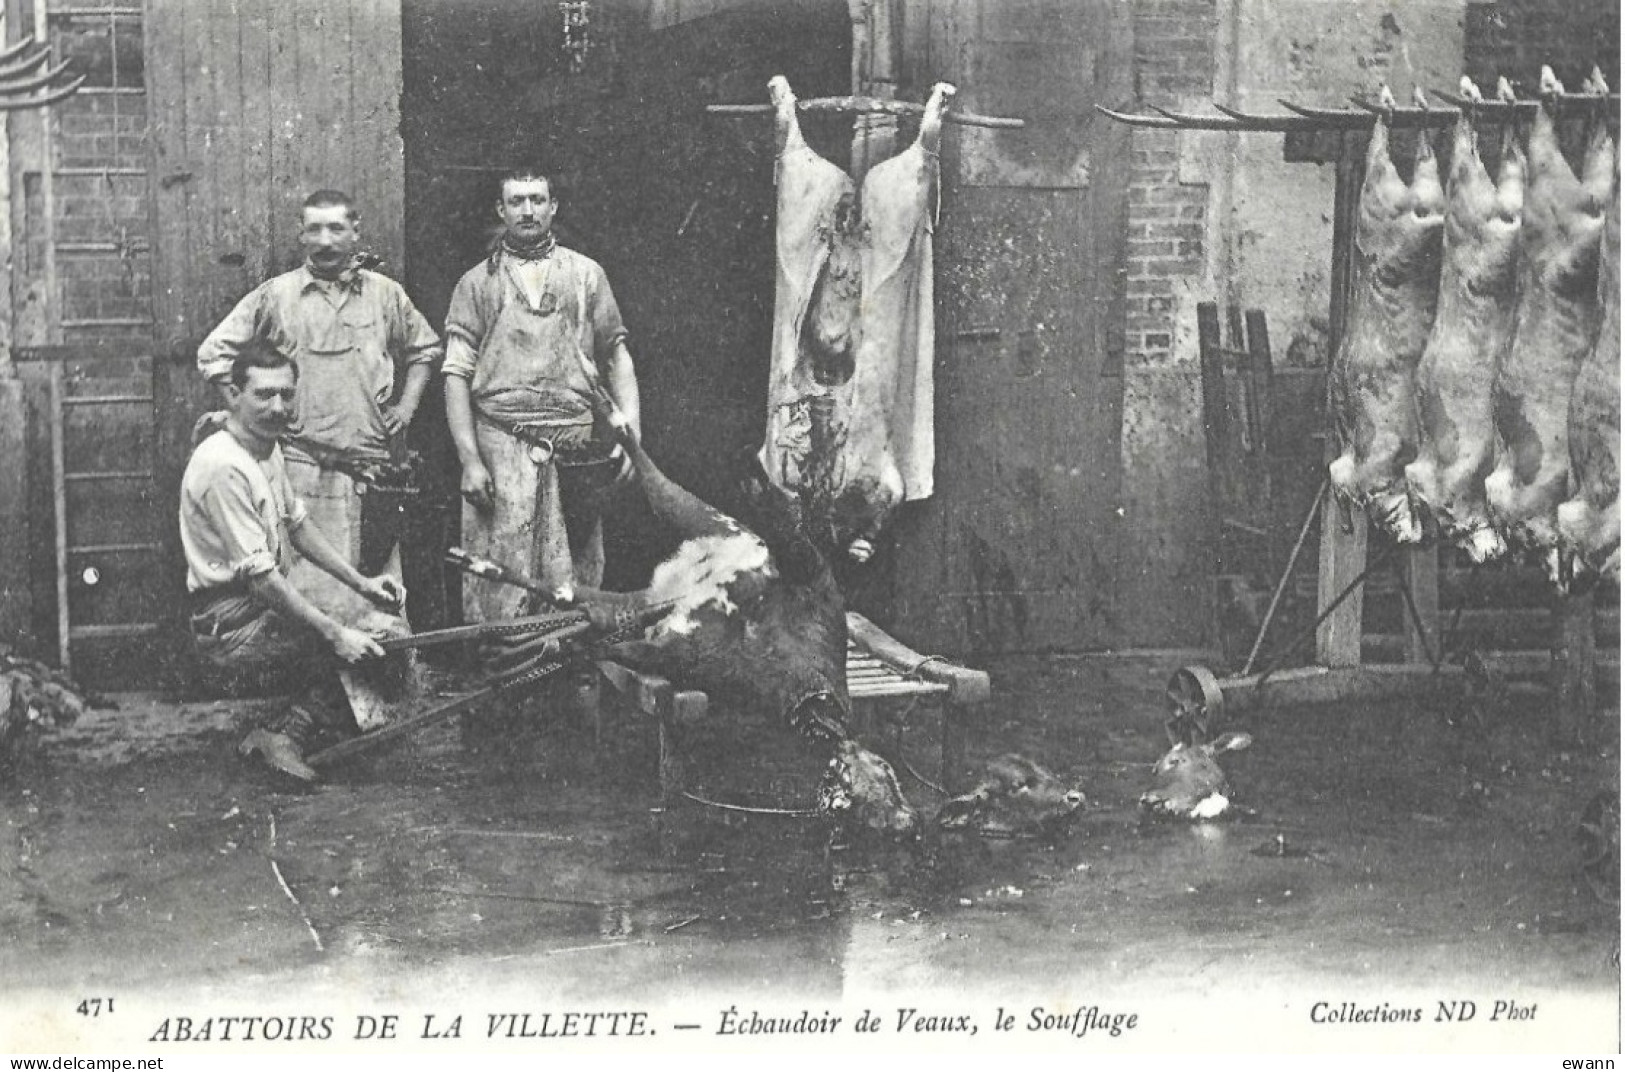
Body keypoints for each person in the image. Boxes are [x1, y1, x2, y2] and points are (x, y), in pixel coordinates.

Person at [196, 189, 442, 621]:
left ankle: (382, 682)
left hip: (371, 473)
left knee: (378, 600)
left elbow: (425, 349)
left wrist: (406, 407)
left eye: (336, 229)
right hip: (300, 469)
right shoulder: (277, 296)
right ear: (301, 234)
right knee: (310, 598)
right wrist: (243, 415)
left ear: (355, 232)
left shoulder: (385, 295)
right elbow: (213, 353)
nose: (326, 241)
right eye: (315, 229)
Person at [182, 349, 407, 783]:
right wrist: (336, 633)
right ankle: (281, 737)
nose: (278, 408)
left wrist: (362, 584)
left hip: (254, 610)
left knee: (367, 632)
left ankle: (304, 730)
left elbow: (299, 526)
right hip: (227, 626)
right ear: (233, 394)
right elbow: (262, 579)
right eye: (264, 395)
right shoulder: (223, 466)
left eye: (287, 395)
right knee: (353, 644)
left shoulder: (266, 448)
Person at [443, 166, 641, 624]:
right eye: (516, 201)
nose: (527, 210)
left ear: (553, 206)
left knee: (575, 578)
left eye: (537, 199)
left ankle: (571, 676)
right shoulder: (477, 283)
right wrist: (470, 460)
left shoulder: (587, 275)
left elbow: (617, 355)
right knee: (502, 571)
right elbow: (455, 374)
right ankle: (506, 671)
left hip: (575, 447)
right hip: (501, 445)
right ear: (501, 209)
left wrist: (631, 434)